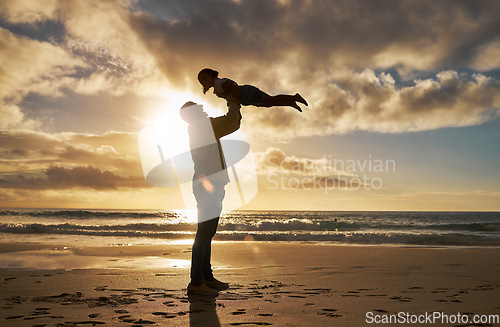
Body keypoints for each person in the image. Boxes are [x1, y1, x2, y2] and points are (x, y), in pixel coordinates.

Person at [180, 96, 242, 296]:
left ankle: (205, 277)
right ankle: (196, 282)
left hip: (207, 184)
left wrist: (234, 106)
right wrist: (233, 98)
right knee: (204, 233)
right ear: (193, 114)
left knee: (206, 233)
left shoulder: (200, 128)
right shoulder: (203, 126)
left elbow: (233, 123)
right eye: (199, 108)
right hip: (209, 185)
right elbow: (233, 120)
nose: (204, 109)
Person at [197, 68, 308, 112]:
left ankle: (294, 97)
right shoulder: (217, 87)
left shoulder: (218, 83)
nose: (205, 81)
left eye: (205, 78)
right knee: (270, 103)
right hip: (247, 98)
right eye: (202, 81)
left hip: (247, 93)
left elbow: (233, 87)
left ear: (211, 74)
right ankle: (290, 102)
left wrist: (236, 101)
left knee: (270, 100)